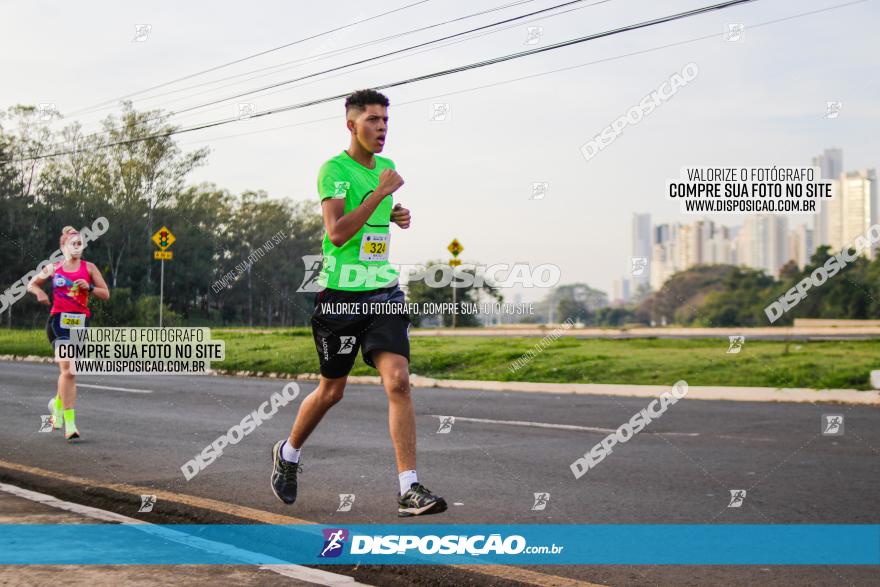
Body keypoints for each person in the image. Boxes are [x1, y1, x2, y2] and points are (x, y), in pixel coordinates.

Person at [271, 89, 447, 517]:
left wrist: (394, 213)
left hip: (382, 293)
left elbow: (372, 220)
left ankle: (409, 488)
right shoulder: (334, 170)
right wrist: (379, 195)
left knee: (399, 381)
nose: (382, 127)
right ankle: (288, 455)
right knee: (332, 391)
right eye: (372, 120)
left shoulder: (386, 168)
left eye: (386, 120)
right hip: (339, 298)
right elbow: (336, 232)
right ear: (351, 125)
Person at [28, 226, 110, 441]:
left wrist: (89, 288)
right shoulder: (54, 268)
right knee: (70, 371)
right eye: (72, 244)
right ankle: (69, 424)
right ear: (63, 247)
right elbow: (32, 284)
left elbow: (105, 294)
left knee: (68, 372)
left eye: (80, 244)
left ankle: (56, 408)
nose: (77, 247)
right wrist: (39, 293)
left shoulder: (89, 268)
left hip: (80, 323)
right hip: (58, 323)